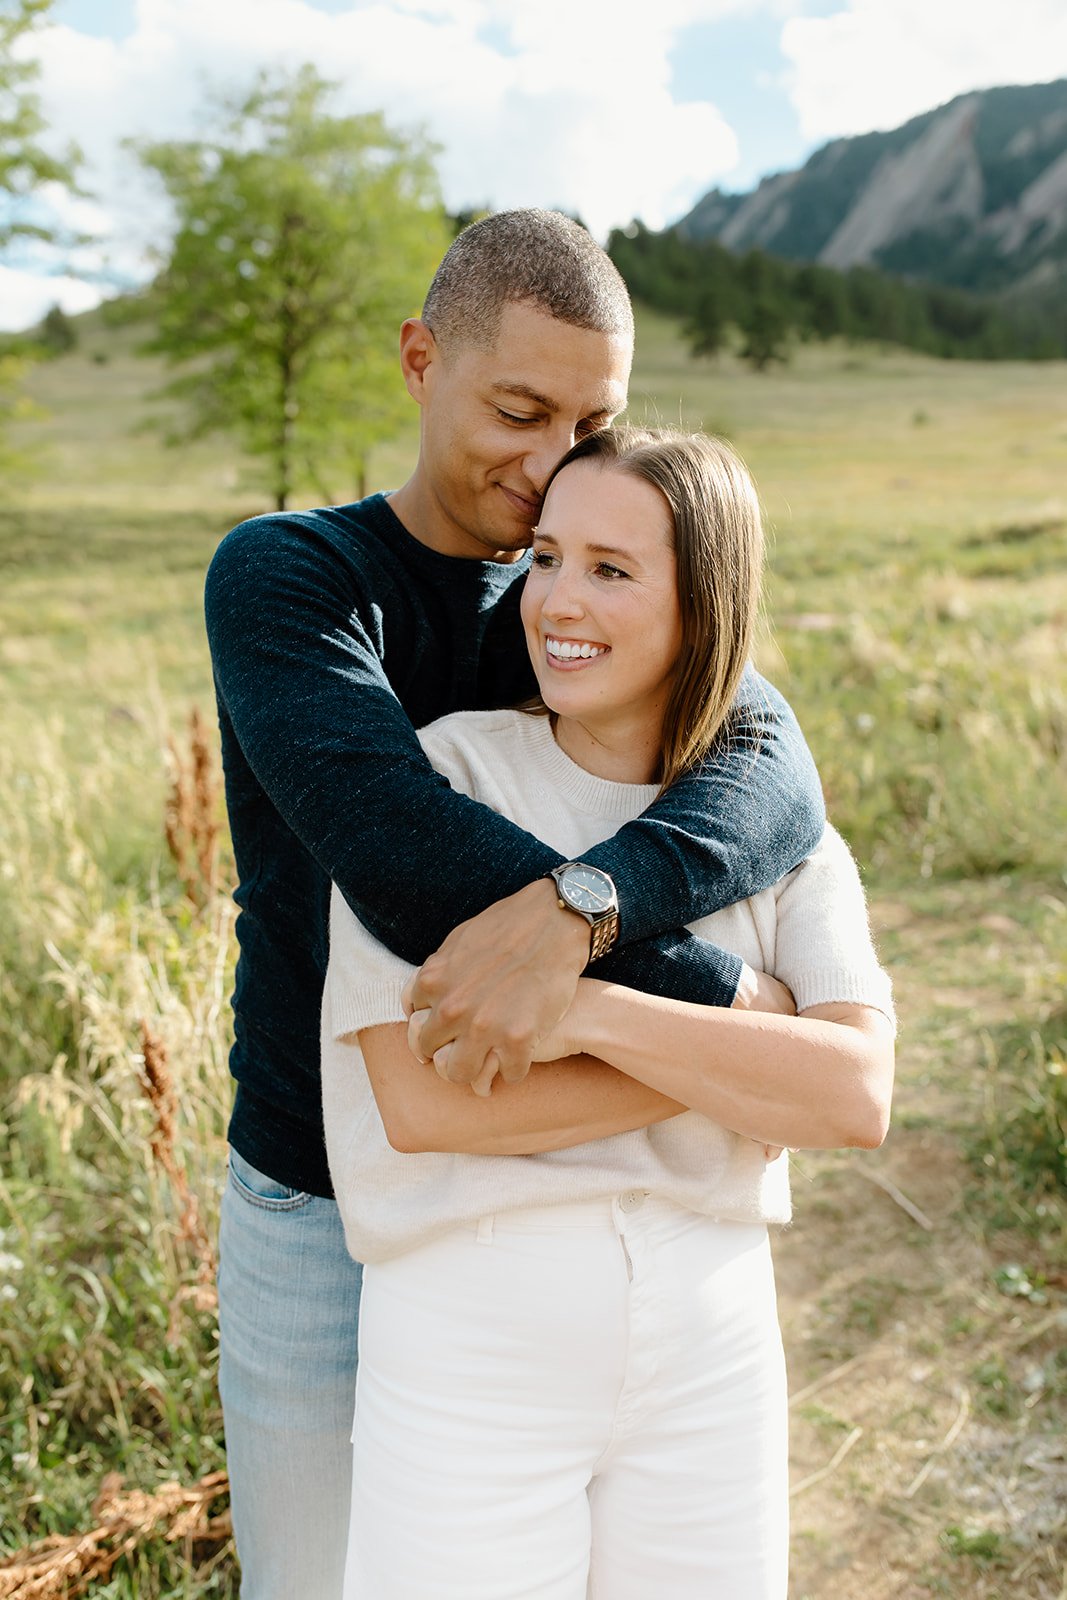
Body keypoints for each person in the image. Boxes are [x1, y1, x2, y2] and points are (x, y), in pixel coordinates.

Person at [205, 211, 825, 1597]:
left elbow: (772, 771)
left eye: (591, 421)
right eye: (519, 409)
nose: (552, 464)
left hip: (520, 1193)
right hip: (316, 1185)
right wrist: (746, 1026)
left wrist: (582, 911)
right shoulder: (293, 579)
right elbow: (400, 849)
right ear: (421, 362)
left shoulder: (577, 592)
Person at [322, 426, 895, 1599]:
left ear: (707, 603)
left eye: (611, 569)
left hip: (710, 1325)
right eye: (544, 557)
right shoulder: (437, 786)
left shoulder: (772, 825)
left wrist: (578, 1010)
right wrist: (748, 1047)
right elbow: (422, 1099)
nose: (553, 601)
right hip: (470, 1333)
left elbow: (852, 1095)